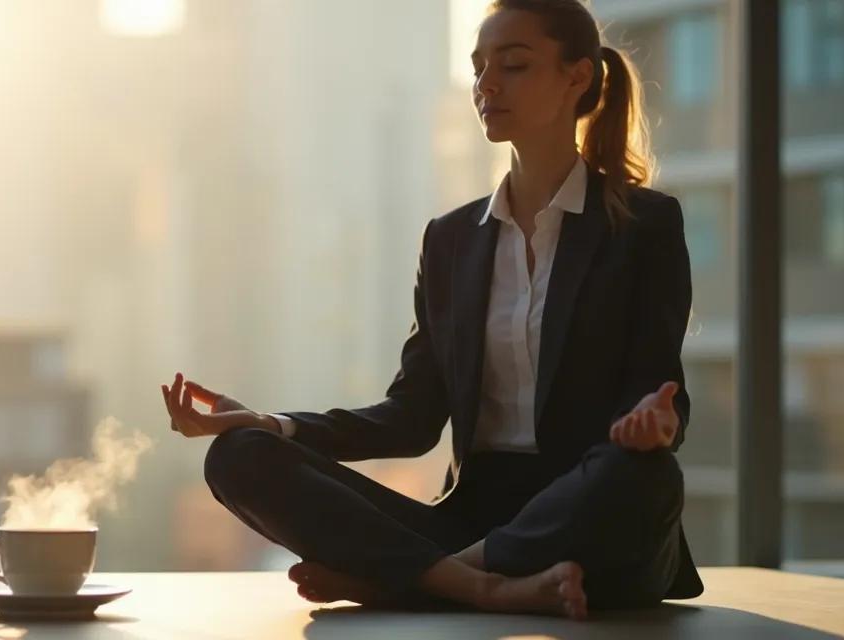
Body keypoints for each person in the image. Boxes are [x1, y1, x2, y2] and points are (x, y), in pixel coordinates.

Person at [158, 0, 702, 619]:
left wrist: (654, 426)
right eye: (478, 68)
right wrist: (272, 423)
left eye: (514, 66)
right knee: (237, 456)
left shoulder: (642, 225)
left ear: (576, 77)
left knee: (646, 476)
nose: (487, 84)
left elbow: (662, 396)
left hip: (585, 516)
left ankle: (409, 581)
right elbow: (410, 419)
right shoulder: (450, 240)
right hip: (464, 523)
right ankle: (476, 584)